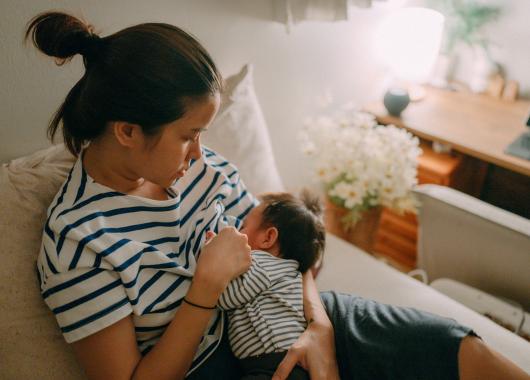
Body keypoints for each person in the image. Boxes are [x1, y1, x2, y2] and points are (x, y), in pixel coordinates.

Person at [27, 11, 529, 380]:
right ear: (128, 131)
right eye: (187, 136)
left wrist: (319, 328)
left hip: (292, 313)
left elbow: (289, 245)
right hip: (218, 367)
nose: (201, 153)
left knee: (463, 351)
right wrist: (203, 291)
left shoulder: (202, 168)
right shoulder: (80, 241)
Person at [216, 191, 325, 380]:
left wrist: (215, 255)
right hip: (283, 360)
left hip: (277, 362)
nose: (239, 230)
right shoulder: (289, 271)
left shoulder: (261, 263)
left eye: (243, 226)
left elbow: (224, 298)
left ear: (268, 238)